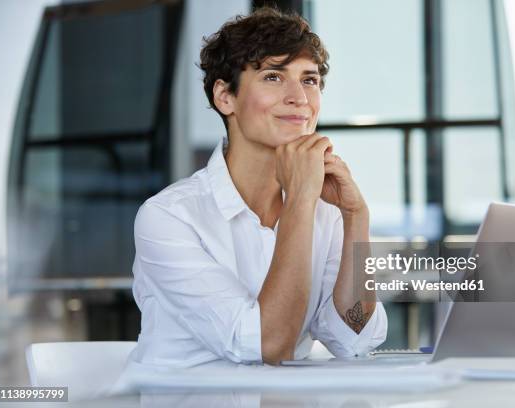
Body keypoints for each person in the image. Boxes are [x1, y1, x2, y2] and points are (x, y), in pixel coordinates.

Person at [129, 7, 387, 368]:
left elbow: (354, 336)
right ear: (225, 97)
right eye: (273, 77)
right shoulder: (169, 217)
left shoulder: (326, 211)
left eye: (309, 80)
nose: (299, 97)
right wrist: (299, 200)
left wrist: (356, 217)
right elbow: (268, 346)